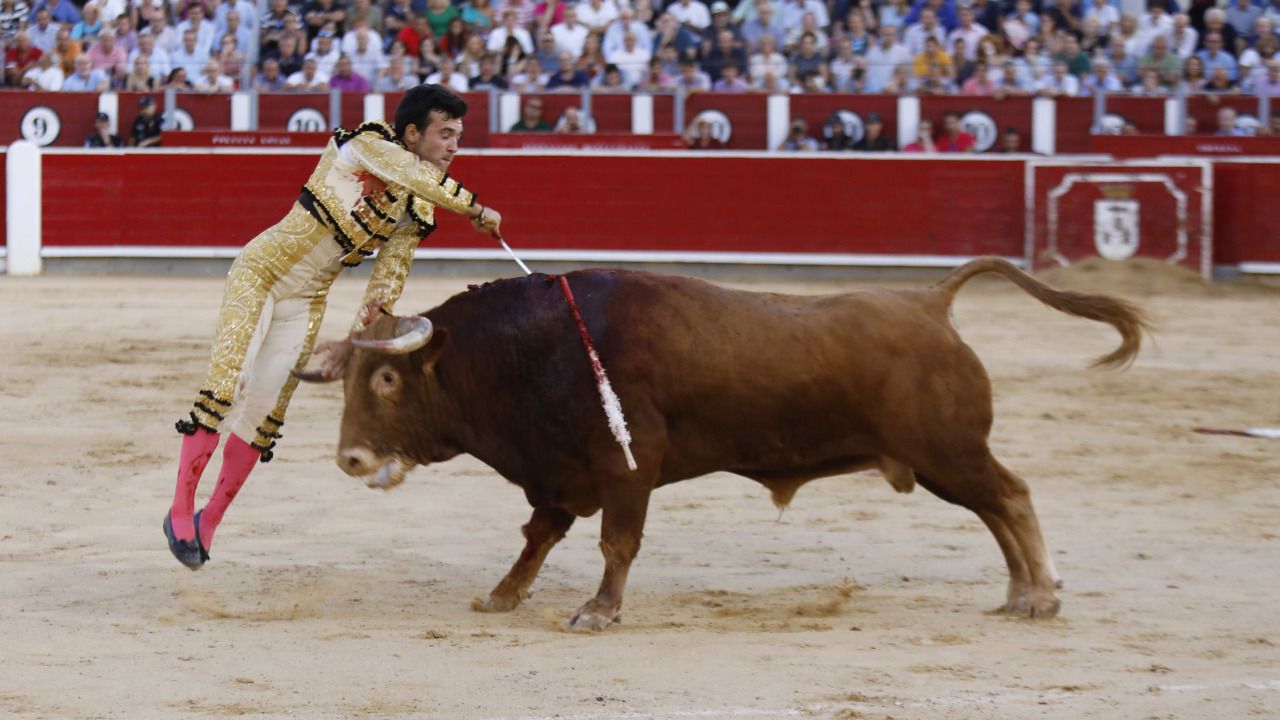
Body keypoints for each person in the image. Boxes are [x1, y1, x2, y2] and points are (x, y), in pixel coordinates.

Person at [162, 86, 504, 570]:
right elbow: (409, 172)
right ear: (412, 133)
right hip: (260, 276)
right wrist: (473, 207)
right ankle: (179, 508)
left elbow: (386, 281)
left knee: (264, 415)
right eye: (445, 135)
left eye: (458, 136)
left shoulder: (418, 208)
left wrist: (362, 337)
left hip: (305, 301)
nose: (454, 146)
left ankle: (210, 518)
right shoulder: (366, 144)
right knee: (224, 389)